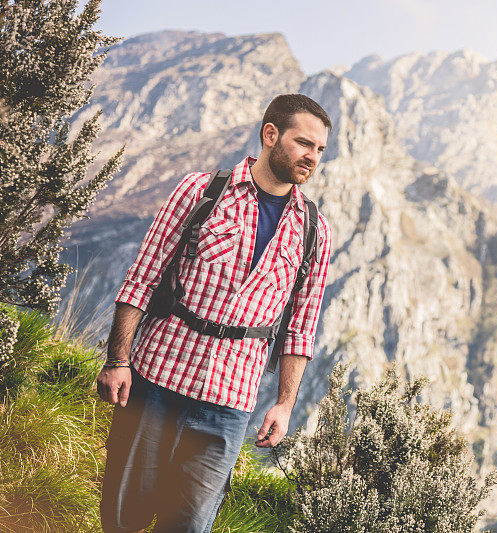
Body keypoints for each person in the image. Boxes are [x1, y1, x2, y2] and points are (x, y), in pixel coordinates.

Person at [95, 94, 332, 532]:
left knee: (189, 525)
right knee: (122, 516)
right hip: (156, 380)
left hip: (230, 402)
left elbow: (301, 328)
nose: (312, 157)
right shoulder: (203, 191)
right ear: (270, 134)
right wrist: (118, 360)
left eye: (319, 149)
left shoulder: (314, 230)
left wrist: (284, 403)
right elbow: (142, 277)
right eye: (303, 143)